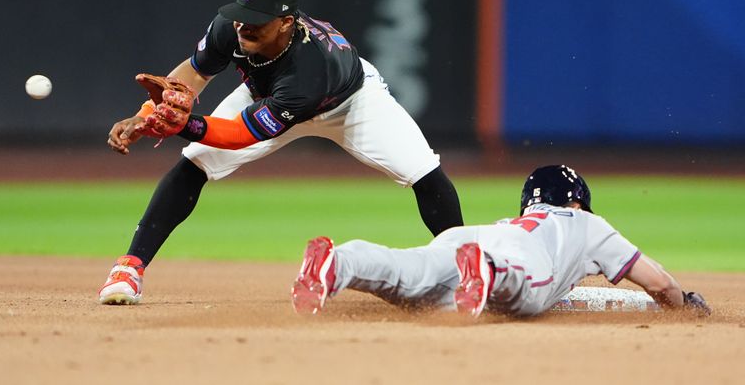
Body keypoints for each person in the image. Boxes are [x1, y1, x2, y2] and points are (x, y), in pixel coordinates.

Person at [99, 0, 463, 304]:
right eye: (242, 14)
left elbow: (241, 134)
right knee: (194, 164)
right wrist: (145, 115)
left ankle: (465, 271)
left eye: (257, 20)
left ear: (287, 22)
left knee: (423, 171)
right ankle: (129, 267)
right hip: (264, 93)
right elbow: (191, 76)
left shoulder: (310, 67)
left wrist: (184, 125)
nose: (244, 25)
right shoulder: (230, 25)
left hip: (350, 103)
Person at [290, 164, 711, 318]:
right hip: (514, 258)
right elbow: (657, 283)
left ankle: (339, 263)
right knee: (526, 293)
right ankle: (488, 272)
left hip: (473, 236)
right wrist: (685, 303)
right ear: (579, 201)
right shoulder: (586, 223)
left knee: (410, 276)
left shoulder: (514, 220)